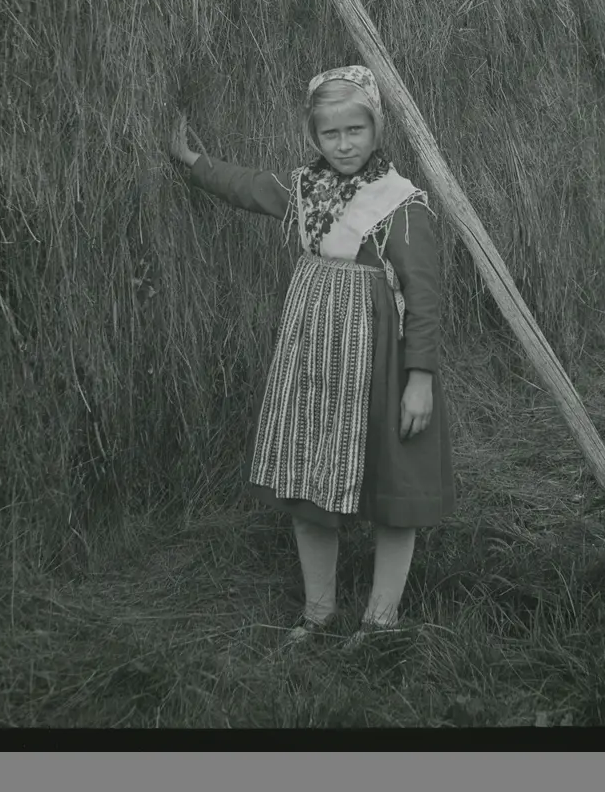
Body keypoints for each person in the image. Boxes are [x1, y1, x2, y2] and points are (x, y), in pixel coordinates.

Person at [169, 65, 454, 650]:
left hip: (377, 362)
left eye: (356, 130)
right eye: (331, 133)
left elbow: (424, 298)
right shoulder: (307, 190)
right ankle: (318, 611)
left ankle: (379, 623)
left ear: (377, 128)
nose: (344, 144)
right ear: (313, 135)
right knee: (306, 475)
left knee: (391, 485)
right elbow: (251, 187)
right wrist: (194, 163)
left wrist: (419, 379)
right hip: (314, 359)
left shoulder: (400, 204)